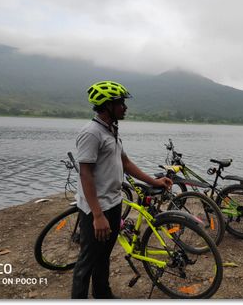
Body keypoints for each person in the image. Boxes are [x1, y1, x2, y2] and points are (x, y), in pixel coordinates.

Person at [71, 80, 173, 299]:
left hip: (114, 203)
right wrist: (97, 215)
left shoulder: (111, 130)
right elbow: (85, 174)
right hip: (95, 209)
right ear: (107, 106)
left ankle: (102, 294)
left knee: (104, 255)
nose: (125, 107)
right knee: (87, 261)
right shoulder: (91, 133)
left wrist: (154, 181)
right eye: (121, 103)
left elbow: (125, 162)